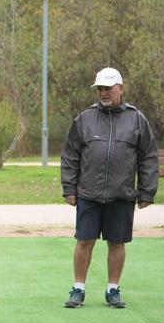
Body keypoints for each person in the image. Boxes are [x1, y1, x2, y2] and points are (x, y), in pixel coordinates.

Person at [60, 67, 158, 309]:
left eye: (107, 88)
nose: (103, 93)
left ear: (120, 89)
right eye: (100, 89)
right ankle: (78, 290)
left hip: (121, 194)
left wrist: (147, 191)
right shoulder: (84, 119)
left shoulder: (137, 119)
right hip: (88, 193)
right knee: (84, 241)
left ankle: (113, 290)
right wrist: (69, 188)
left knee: (117, 242)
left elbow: (148, 157)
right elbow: (70, 155)